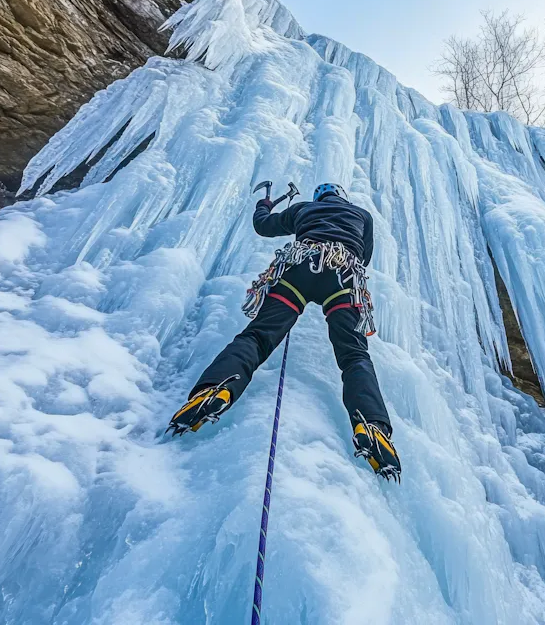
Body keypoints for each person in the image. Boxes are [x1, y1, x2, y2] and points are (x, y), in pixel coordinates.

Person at [167, 182, 401, 482]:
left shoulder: (303, 209)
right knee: (354, 355)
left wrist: (263, 205)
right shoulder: (361, 214)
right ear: (342, 198)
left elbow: (263, 226)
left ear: (317, 198)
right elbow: (364, 255)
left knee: (257, 336)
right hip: (344, 277)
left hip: (299, 268)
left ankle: (214, 389)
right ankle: (373, 425)